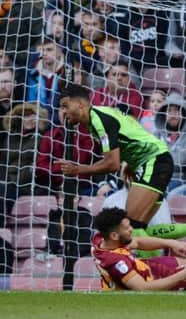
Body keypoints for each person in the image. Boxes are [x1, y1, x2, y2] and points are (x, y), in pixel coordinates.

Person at [58, 84, 173, 232]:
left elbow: (112, 164)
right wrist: (132, 164)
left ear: (80, 104)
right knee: (138, 228)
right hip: (155, 161)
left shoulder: (99, 120)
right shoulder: (98, 117)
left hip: (153, 161)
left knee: (128, 226)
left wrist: (78, 169)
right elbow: (131, 135)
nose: (63, 112)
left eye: (65, 106)